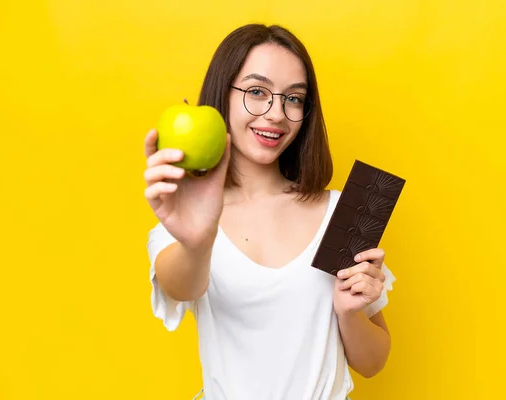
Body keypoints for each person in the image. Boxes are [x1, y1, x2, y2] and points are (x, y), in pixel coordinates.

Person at [143, 23, 396, 400]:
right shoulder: (187, 220)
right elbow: (180, 286)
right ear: (221, 96)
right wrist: (197, 242)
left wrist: (348, 312)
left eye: (294, 98)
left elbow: (373, 363)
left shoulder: (345, 210)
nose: (276, 113)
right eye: (257, 92)